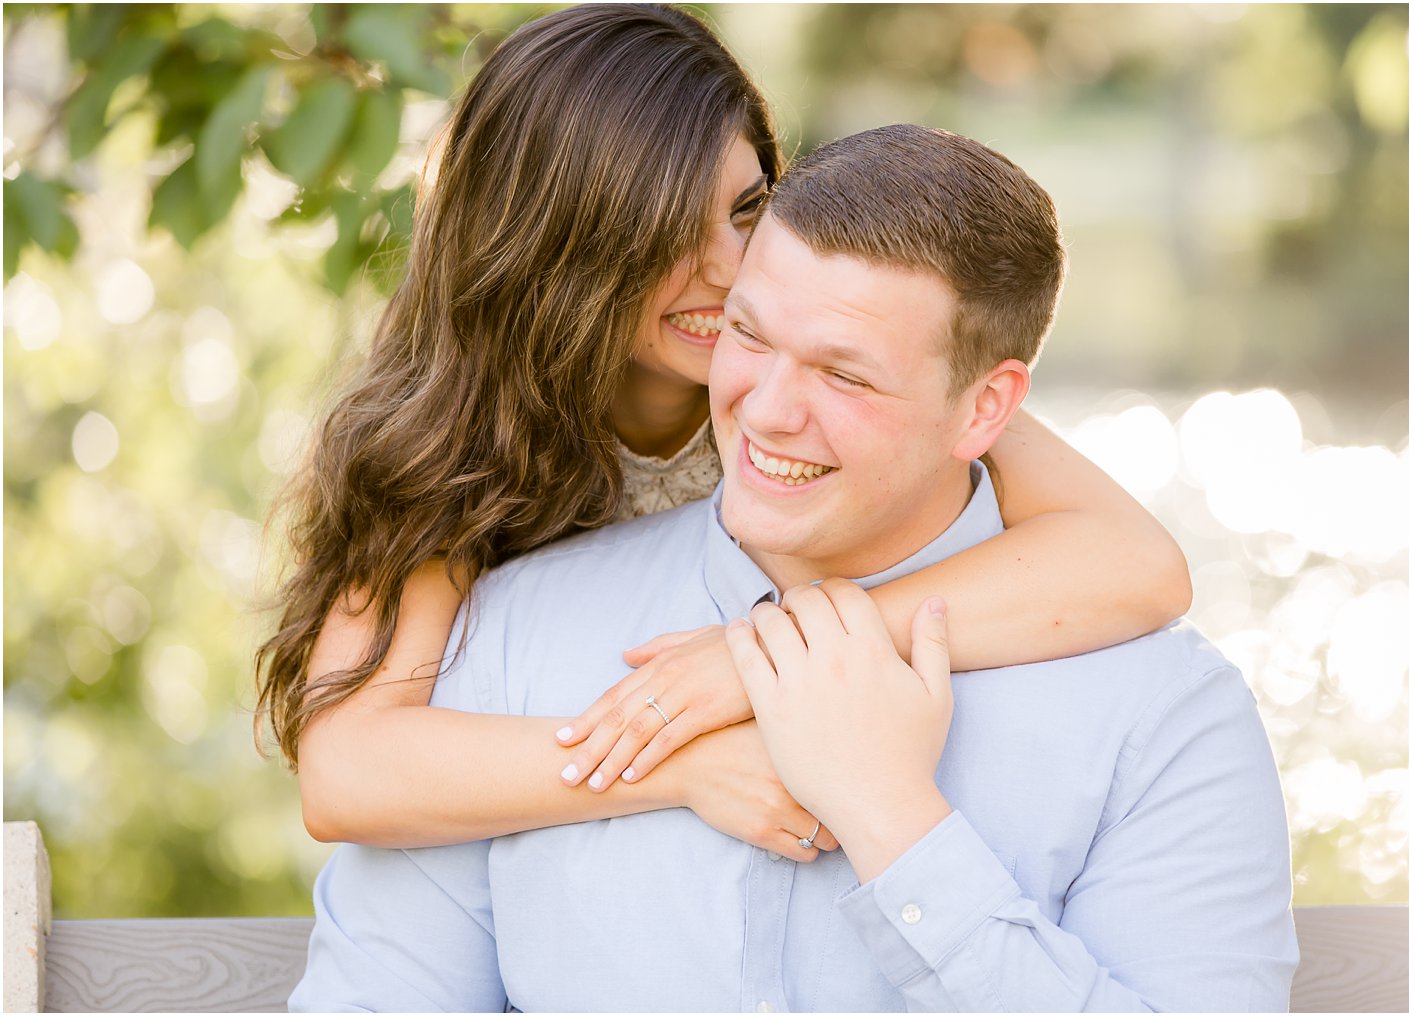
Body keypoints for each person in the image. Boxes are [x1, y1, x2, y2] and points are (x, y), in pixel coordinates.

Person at [290, 124, 1297, 1012]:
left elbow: (1140, 565)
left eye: (842, 373)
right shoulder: (504, 626)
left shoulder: (1162, 719)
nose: (767, 409)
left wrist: (889, 814)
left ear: (984, 410)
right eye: (747, 332)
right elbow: (355, 850)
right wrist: (671, 764)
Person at [256, 3, 1192, 857]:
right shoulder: (463, 433)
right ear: (557, 253)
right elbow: (348, 773)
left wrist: (770, 656)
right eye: (665, 232)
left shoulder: (846, 389)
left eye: (748, 208)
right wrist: (676, 765)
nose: (736, 268)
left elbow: (1137, 565)